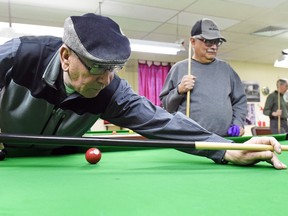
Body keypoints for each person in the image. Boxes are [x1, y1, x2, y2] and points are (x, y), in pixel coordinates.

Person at [0, 13, 286, 170]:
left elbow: (164, 122)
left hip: (56, 162)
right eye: (97, 68)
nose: (106, 79)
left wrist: (227, 151)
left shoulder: (111, 90)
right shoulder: (19, 57)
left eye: (115, 69)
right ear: (66, 57)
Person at [159, 18, 247, 137]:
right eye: (208, 41)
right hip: (190, 141)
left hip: (223, 140)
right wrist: (179, 90)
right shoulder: (179, 68)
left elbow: (240, 102)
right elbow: (166, 107)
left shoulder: (226, 69)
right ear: (193, 41)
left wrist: (238, 123)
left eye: (217, 42)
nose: (214, 46)